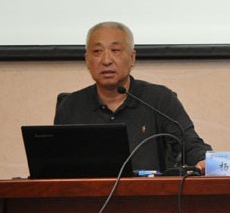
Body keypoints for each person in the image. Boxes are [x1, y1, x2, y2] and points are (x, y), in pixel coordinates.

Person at [54, 22, 211, 174]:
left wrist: (203, 160)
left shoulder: (159, 100)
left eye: (115, 50)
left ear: (132, 58)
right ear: (87, 60)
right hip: (88, 192)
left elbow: (190, 145)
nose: (106, 60)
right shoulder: (70, 107)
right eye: (97, 51)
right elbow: (55, 165)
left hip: (149, 191)